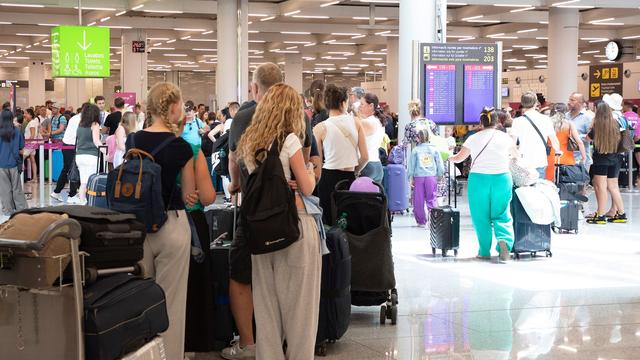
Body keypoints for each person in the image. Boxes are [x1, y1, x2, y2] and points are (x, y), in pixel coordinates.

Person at [236, 83, 320, 359]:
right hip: (294, 225)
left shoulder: (249, 141)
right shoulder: (290, 140)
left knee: (267, 310)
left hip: (260, 231)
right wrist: (309, 170)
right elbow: (306, 187)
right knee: (300, 313)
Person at [126, 82, 196, 360]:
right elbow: (190, 194)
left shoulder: (133, 141)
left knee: (139, 302)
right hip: (171, 225)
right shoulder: (181, 146)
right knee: (171, 305)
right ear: (174, 108)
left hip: (137, 227)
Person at [449, 108, 518, 263]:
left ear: (481, 122)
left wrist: (450, 157)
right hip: (502, 178)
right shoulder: (505, 137)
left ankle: (484, 251)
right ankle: (504, 243)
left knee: (481, 217)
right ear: (498, 121)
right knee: (502, 213)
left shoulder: (473, 138)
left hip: (479, 179)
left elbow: (460, 158)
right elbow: (516, 156)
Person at [314, 84, 368, 224]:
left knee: (329, 221)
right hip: (349, 178)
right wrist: (355, 170)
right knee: (349, 221)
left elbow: (317, 165)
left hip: (327, 178)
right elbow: (365, 157)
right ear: (343, 102)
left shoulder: (320, 128)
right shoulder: (356, 122)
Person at [585, 101, 627, 224]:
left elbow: (588, 138)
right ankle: (621, 214)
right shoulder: (616, 122)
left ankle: (601, 215)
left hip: (601, 158)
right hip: (616, 157)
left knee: (600, 186)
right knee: (613, 187)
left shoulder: (598, 124)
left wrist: (592, 125)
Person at [511, 91, 560, 178]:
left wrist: (516, 158)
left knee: (524, 190)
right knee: (538, 188)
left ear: (522, 103)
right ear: (536, 103)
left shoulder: (517, 121)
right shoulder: (545, 119)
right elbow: (554, 140)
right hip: (540, 159)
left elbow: (512, 144)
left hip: (523, 161)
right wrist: (558, 151)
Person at [408, 129, 444, 227]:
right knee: (432, 198)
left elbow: (411, 166)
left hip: (418, 177)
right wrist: (440, 174)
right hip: (431, 177)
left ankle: (421, 221)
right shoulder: (434, 149)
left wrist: (410, 178)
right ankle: (434, 220)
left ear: (418, 138)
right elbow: (439, 164)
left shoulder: (415, 150)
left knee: (418, 200)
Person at [50, 103, 85, 205]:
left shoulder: (75, 118)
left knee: (67, 169)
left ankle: (57, 192)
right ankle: (72, 195)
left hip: (68, 145)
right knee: (72, 170)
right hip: (70, 146)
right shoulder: (79, 119)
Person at [544, 103, 587, 181]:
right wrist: (584, 157)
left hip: (549, 157)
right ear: (565, 112)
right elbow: (579, 142)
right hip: (566, 157)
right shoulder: (569, 124)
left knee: (549, 184)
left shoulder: (547, 123)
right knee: (565, 184)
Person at [74, 104, 104, 205]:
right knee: (90, 181)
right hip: (91, 156)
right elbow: (96, 141)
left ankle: (82, 201)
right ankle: (89, 203)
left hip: (80, 156)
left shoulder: (80, 125)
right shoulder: (94, 124)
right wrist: (105, 150)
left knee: (83, 181)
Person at [0, 109, 27, 216]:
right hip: (14, 163)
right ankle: (21, 210)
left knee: (4, 189)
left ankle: (7, 210)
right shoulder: (16, 131)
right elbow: (21, 148)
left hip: (1, 164)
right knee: (17, 188)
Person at [358, 93, 386, 184]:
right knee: (374, 197)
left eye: (362, 104)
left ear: (371, 106)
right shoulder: (378, 121)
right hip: (377, 165)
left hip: (366, 166)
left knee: (362, 198)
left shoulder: (367, 122)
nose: (359, 107)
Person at [567, 92, 594, 169]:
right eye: (569, 99)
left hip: (581, 159)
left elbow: (591, 136)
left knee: (582, 181)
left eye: (572, 100)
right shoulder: (566, 116)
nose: (569, 102)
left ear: (581, 103)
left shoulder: (588, 118)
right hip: (566, 158)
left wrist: (575, 137)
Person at [23, 108, 39, 182]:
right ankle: (35, 178)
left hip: (30, 144)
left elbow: (32, 135)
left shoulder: (32, 123)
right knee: (33, 160)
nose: (24, 115)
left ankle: (21, 177)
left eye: (26, 113)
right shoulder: (33, 122)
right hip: (33, 144)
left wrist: (26, 143)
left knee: (21, 158)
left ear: (30, 114)